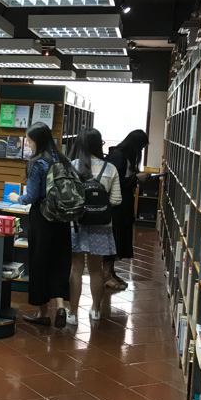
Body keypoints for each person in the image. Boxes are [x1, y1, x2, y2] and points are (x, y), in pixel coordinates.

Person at [9, 122, 73, 328]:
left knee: (39, 262)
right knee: (60, 261)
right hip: (62, 218)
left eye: (29, 141)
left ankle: (43, 312)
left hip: (42, 218)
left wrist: (16, 198)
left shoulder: (36, 163)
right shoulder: (62, 159)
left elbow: (31, 196)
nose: (28, 145)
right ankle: (61, 306)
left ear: (37, 141)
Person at [68, 128, 122, 324]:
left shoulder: (72, 166)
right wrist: (99, 205)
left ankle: (73, 313)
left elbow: (68, 196)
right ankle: (96, 310)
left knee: (75, 268)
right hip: (102, 226)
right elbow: (116, 200)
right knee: (96, 269)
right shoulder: (110, 168)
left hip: (77, 224)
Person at [104, 130, 150, 290]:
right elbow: (115, 181)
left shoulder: (126, 156)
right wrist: (135, 179)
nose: (141, 151)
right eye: (141, 148)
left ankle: (111, 272)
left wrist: (137, 178)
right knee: (114, 237)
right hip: (117, 204)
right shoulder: (118, 155)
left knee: (119, 237)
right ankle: (106, 274)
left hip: (124, 203)